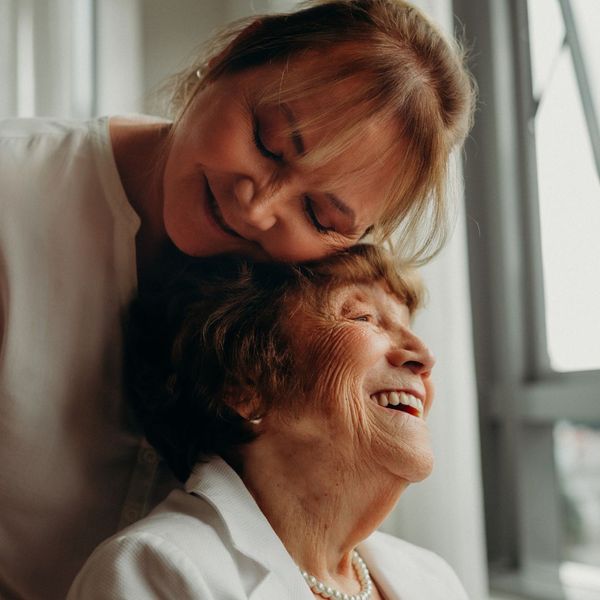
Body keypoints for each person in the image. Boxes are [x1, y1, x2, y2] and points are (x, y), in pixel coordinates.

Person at [0, 1, 474, 598]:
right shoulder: (11, 191)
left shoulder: (285, 307)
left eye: (320, 213)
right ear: (231, 55)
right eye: (269, 143)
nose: (258, 208)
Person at [68, 244, 467, 600]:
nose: (423, 356)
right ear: (244, 383)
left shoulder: (434, 580)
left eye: (407, 325)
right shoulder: (154, 572)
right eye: (364, 318)